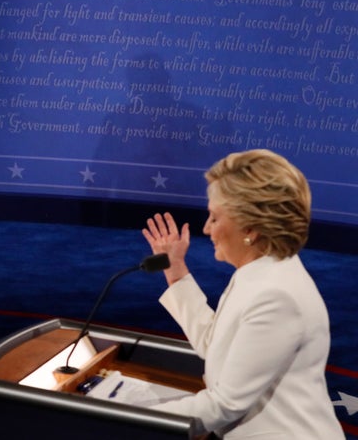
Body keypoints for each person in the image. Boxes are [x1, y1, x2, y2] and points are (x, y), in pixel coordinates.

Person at [141, 149, 344, 439]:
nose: (206, 228)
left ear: (251, 228)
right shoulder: (260, 274)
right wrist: (175, 270)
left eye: (214, 217)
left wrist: (128, 415)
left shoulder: (276, 295)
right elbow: (215, 345)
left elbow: (226, 404)